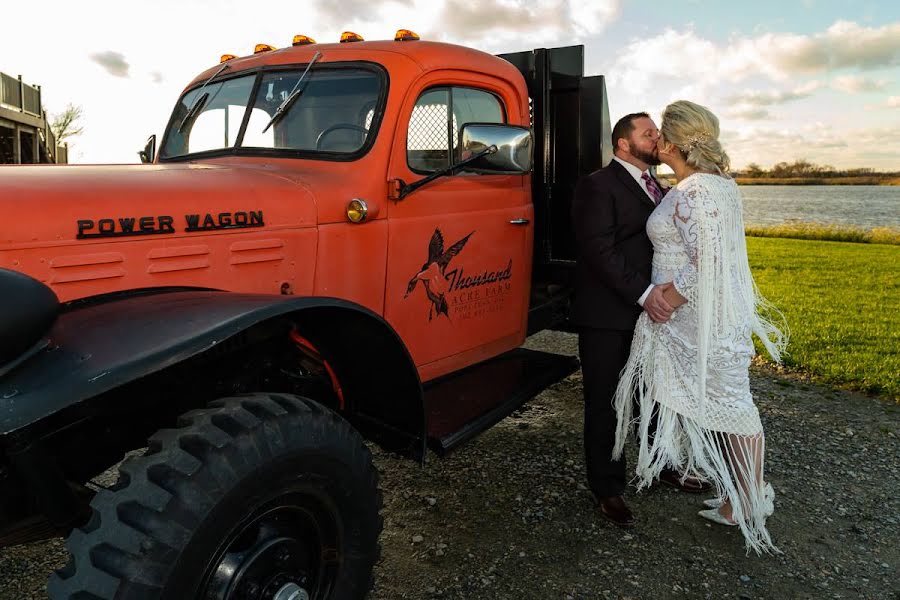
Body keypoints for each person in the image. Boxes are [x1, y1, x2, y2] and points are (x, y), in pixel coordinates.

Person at [611, 100, 787, 554]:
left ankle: (747, 500)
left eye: (657, 134)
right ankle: (741, 493)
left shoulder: (695, 193)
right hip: (700, 315)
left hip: (696, 315)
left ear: (671, 143)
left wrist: (664, 298)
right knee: (726, 406)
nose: (653, 140)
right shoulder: (712, 186)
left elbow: (705, 262)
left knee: (732, 407)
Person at [571, 112, 711, 529]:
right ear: (623, 144)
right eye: (647, 133)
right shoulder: (597, 185)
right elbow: (599, 251)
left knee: (655, 393)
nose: (657, 138)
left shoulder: (662, 187)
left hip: (655, 317)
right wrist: (646, 293)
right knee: (607, 401)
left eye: (657, 132)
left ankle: (662, 462)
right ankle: (607, 488)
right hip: (607, 314)